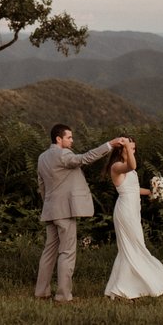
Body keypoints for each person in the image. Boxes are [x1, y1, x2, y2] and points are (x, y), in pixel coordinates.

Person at [35, 124, 127, 303]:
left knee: (49, 252)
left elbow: (41, 185)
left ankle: (41, 292)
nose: (72, 140)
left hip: (50, 210)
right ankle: (63, 296)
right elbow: (85, 158)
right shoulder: (64, 155)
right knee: (67, 252)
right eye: (69, 137)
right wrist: (109, 144)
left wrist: (49, 203)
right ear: (58, 139)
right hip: (65, 211)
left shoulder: (42, 157)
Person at [103, 137, 163, 300]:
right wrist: (124, 144)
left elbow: (133, 188)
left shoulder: (129, 171)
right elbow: (132, 165)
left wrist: (155, 191)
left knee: (130, 248)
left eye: (134, 149)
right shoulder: (117, 167)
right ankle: (122, 289)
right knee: (133, 247)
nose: (134, 151)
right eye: (131, 149)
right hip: (125, 211)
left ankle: (123, 287)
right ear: (122, 150)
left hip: (133, 210)